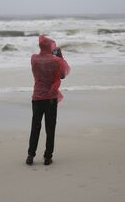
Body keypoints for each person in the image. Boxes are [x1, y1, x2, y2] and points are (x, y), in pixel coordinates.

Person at [26, 35, 70, 166]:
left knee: (35, 126)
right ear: (51, 47)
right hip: (50, 98)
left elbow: (38, 70)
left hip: (37, 97)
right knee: (50, 128)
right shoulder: (56, 61)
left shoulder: (34, 59)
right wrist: (60, 56)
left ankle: (30, 155)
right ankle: (47, 157)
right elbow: (62, 75)